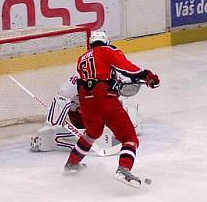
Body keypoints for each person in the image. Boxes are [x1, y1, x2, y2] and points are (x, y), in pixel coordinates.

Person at [63, 30, 160, 188]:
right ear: (105, 42)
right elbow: (127, 68)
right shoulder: (107, 50)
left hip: (86, 104)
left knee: (92, 133)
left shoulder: (81, 59)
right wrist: (147, 76)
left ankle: (72, 164)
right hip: (104, 100)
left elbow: (92, 79)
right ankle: (123, 169)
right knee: (130, 138)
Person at [29, 74, 143, 154]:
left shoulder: (109, 72)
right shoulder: (77, 78)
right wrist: (56, 115)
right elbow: (63, 96)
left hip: (101, 107)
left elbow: (122, 88)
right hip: (81, 110)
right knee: (93, 133)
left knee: (132, 125)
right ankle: (52, 138)